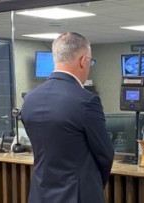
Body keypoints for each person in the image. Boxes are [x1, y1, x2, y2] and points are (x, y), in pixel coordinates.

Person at [21, 32, 114, 203]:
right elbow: (105, 154)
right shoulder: (86, 101)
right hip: (78, 195)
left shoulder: (30, 99)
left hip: (39, 194)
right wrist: (93, 185)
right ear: (83, 61)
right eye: (91, 61)